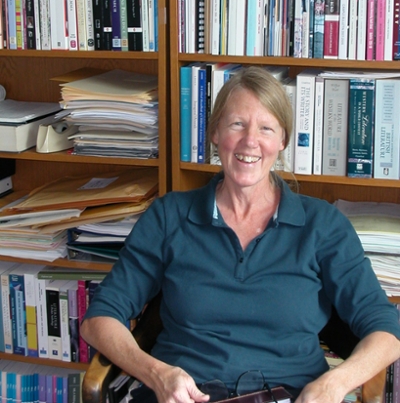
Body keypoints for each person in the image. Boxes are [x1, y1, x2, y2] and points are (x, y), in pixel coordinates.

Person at [81, 66, 400, 403]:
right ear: (215, 133)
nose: (250, 141)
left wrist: (334, 383)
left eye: (266, 128)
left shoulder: (323, 224)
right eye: (237, 124)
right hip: (185, 395)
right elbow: (99, 318)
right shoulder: (168, 216)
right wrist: (156, 373)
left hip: (291, 395)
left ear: (282, 140)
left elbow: (386, 328)